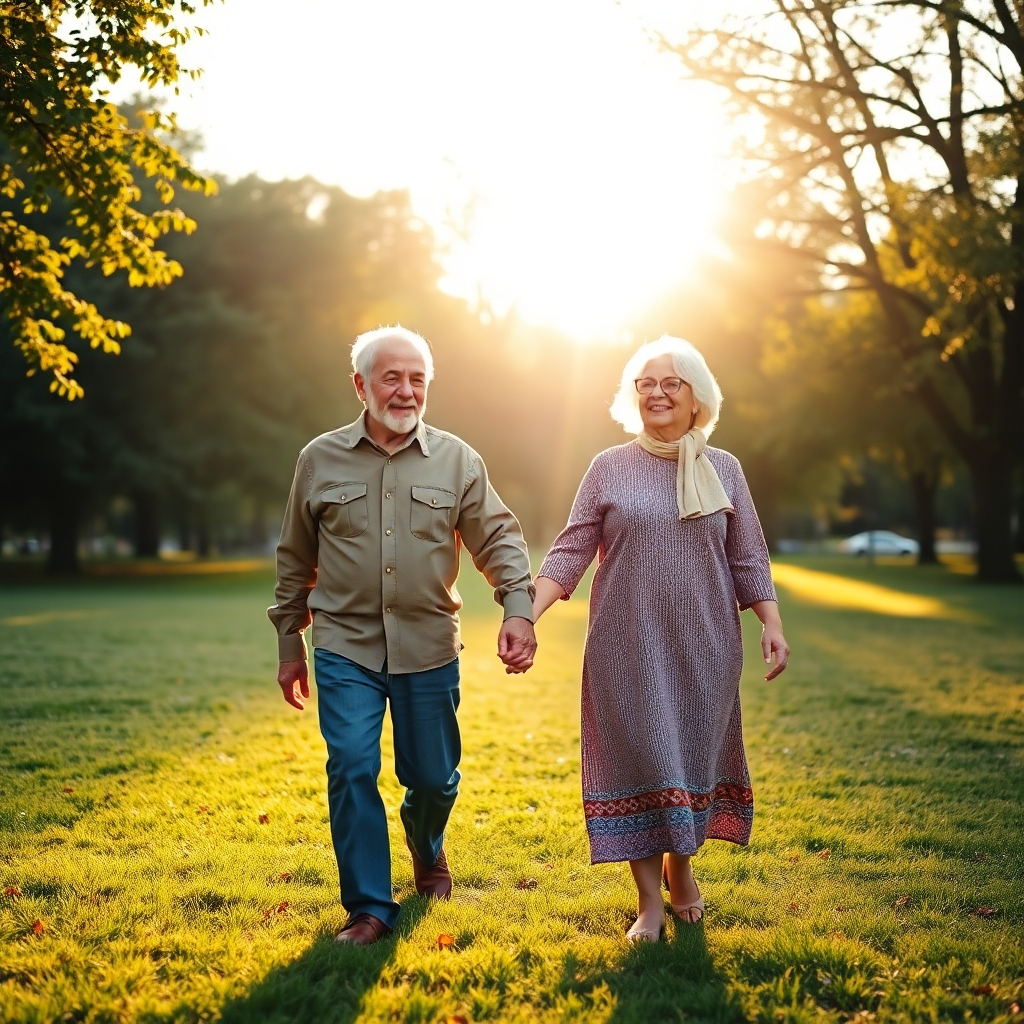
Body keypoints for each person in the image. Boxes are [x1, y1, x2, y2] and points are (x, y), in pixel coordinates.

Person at [269, 326, 537, 946]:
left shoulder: (458, 460)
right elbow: (294, 558)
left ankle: (426, 843)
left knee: (435, 779)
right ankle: (369, 907)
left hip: (428, 647)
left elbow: (497, 538)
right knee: (353, 766)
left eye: (418, 378)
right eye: (392, 376)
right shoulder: (319, 458)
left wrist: (517, 609)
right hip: (345, 646)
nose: (407, 389)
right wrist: (290, 643)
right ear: (361, 385)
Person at [532, 336, 789, 943]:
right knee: (641, 758)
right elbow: (571, 550)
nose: (657, 392)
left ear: (697, 396)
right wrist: (526, 613)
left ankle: (681, 868)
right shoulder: (608, 467)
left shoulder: (723, 470)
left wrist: (771, 623)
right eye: (645, 383)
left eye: (670, 382)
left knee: (689, 759)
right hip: (626, 646)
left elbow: (747, 555)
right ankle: (650, 901)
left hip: (705, 644)